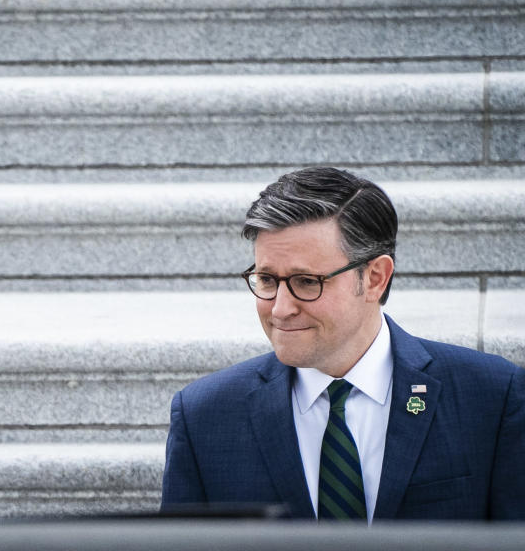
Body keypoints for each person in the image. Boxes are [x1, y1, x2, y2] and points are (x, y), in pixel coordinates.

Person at [161, 167, 524, 521]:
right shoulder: (205, 416)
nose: (281, 309)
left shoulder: (492, 397)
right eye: (267, 279)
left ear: (375, 278)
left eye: (306, 282)